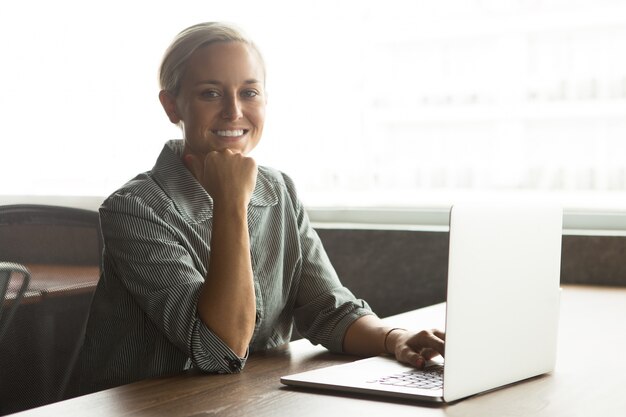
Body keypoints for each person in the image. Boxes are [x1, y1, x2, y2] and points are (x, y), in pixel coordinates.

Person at [69, 22, 445, 396]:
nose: (234, 111)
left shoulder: (278, 190)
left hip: (244, 398)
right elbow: (221, 349)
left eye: (249, 92)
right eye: (210, 93)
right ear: (172, 106)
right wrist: (230, 202)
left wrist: (395, 338)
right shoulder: (134, 210)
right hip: (154, 406)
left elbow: (329, 311)